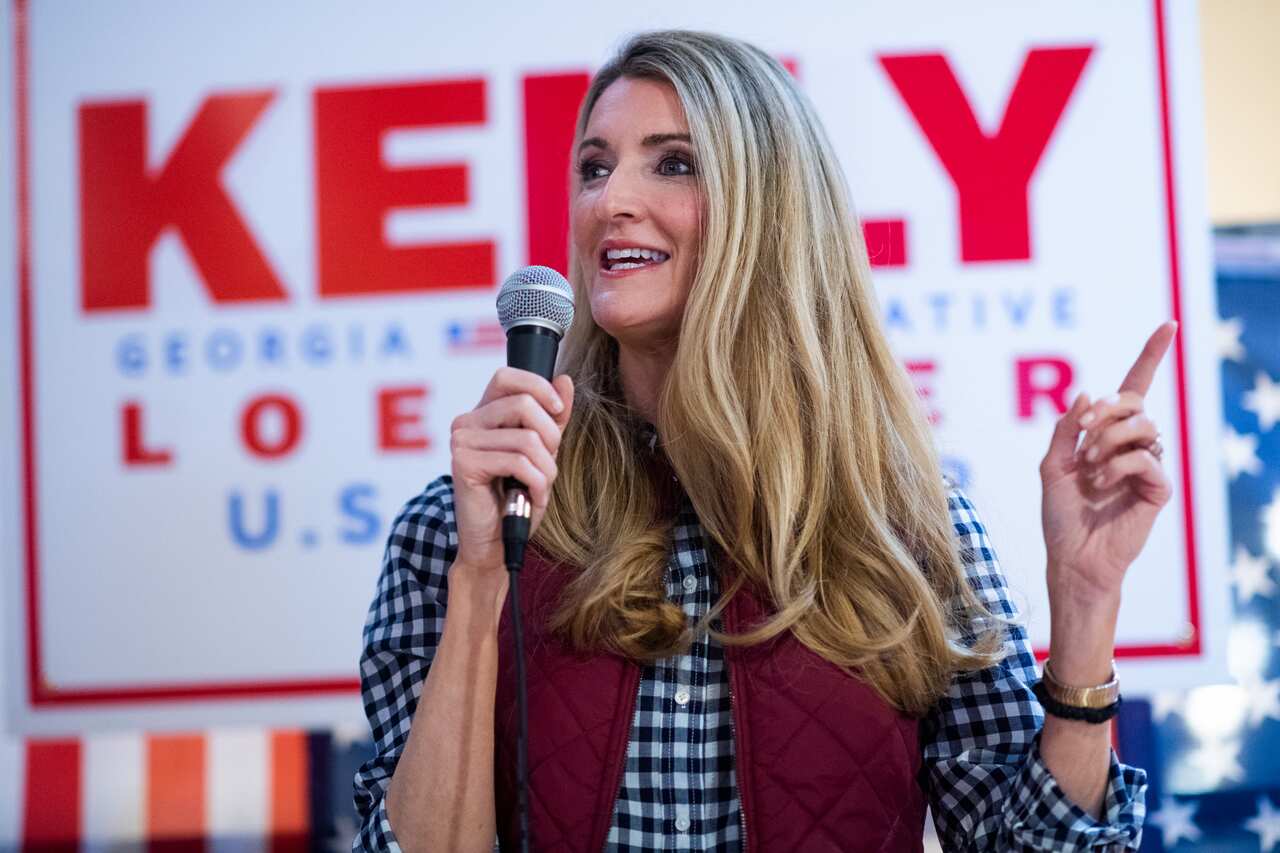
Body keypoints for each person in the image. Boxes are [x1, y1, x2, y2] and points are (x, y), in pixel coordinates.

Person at [354, 29, 1171, 852]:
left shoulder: (910, 525)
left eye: (672, 162)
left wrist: (1085, 606)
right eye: (594, 167)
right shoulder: (461, 528)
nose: (609, 201)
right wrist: (482, 578)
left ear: (769, 212)